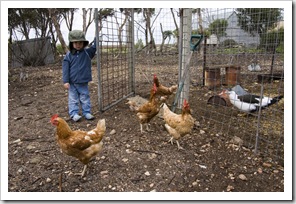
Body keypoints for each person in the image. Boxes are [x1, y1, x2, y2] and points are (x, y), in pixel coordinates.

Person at [62, 30, 96, 122]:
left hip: (83, 82)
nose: (78, 44)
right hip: (72, 83)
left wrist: (97, 37)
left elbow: (94, 47)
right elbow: (65, 69)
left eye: (80, 42)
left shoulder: (87, 53)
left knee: (85, 97)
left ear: (83, 43)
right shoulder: (68, 56)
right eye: (76, 42)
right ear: (71, 43)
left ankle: (86, 112)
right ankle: (74, 113)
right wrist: (66, 81)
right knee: (73, 99)